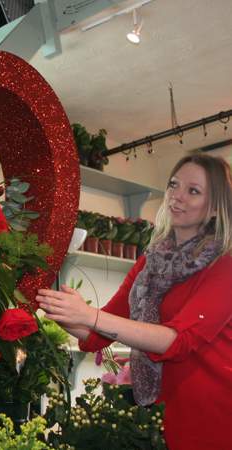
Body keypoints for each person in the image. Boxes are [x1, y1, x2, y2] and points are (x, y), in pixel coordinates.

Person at [37, 154, 232, 450]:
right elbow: (99, 332)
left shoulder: (224, 265)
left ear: (217, 206)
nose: (177, 197)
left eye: (193, 191)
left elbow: (176, 341)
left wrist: (89, 316)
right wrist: (59, 308)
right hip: (157, 415)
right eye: (174, 185)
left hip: (212, 413)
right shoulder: (149, 263)